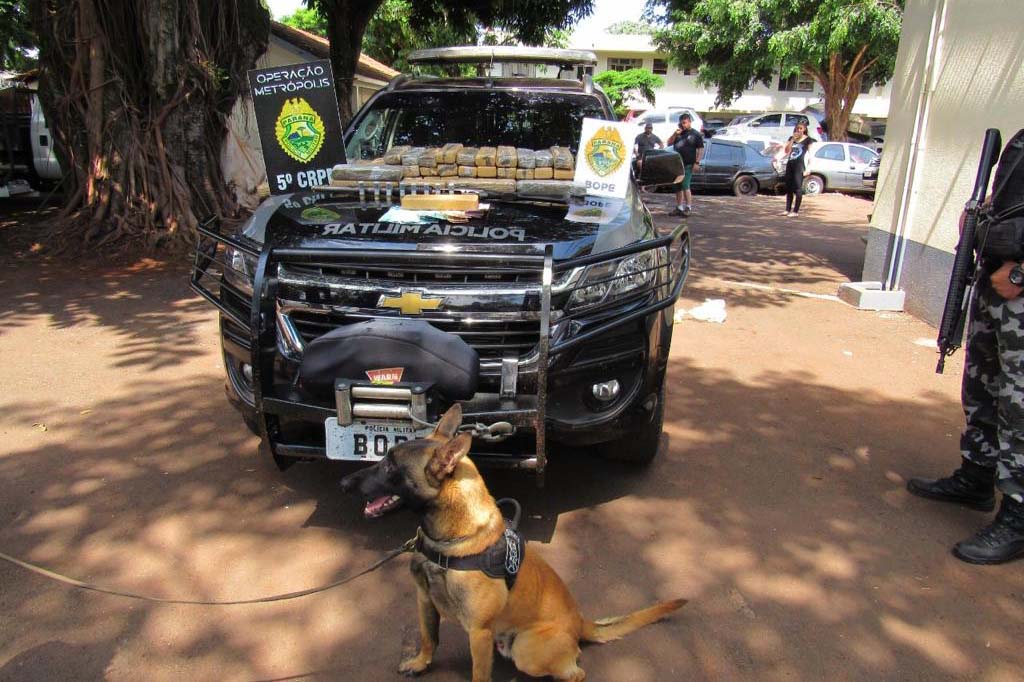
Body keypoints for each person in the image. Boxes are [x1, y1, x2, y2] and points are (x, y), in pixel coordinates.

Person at [907, 131, 1024, 564]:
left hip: (1016, 290)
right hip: (994, 285)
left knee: (1020, 407)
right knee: (982, 390)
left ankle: (1017, 516)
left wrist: (1019, 273)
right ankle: (977, 477)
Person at [665, 113, 704, 216]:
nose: (683, 125)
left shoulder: (695, 134)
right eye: (681, 123)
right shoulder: (679, 133)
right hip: (677, 164)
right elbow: (668, 143)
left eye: (684, 123)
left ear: (689, 122)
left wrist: (697, 162)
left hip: (688, 164)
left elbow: (700, 149)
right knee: (677, 186)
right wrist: (675, 134)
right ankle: (679, 207)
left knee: (685, 185)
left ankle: (688, 207)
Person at [782, 120, 815, 217]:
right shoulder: (792, 138)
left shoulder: (808, 140)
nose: (799, 130)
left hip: (799, 165)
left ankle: (795, 211)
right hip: (790, 163)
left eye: (801, 128)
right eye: (797, 128)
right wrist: (792, 140)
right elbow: (786, 151)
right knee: (788, 187)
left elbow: (811, 155)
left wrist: (809, 168)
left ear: (804, 129)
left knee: (797, 188)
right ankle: (787, 209)